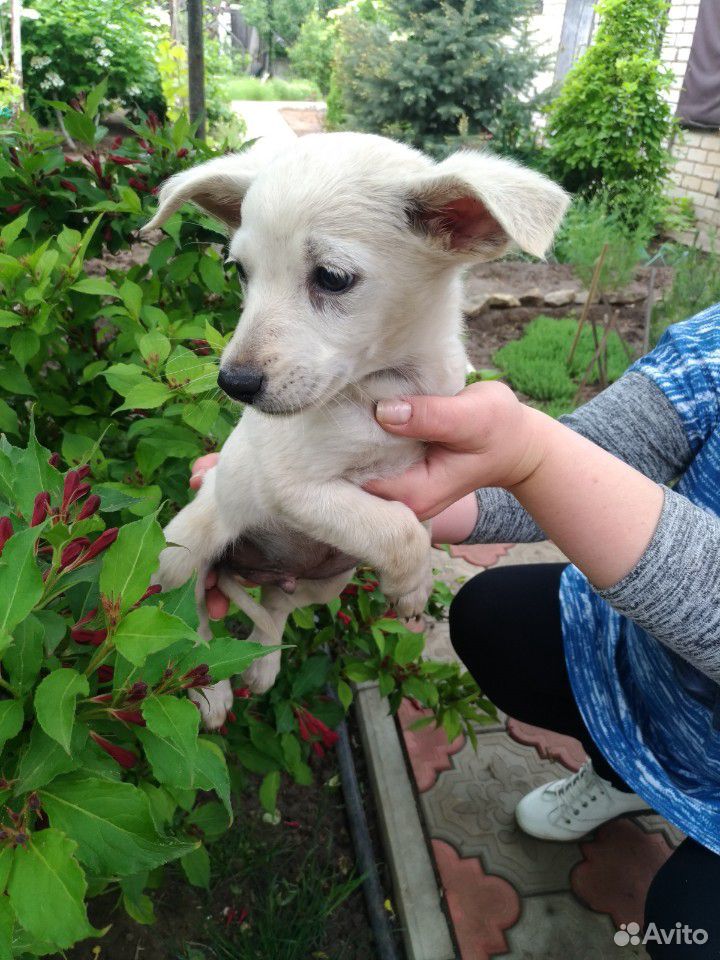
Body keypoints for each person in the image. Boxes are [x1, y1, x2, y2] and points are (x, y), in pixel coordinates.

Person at [191, 307, 720, 957]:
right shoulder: (714, 343)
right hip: (658, 658)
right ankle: (625, 768)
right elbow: (600, 454)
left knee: (682, 930)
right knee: (491, 617)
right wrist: (353, 505)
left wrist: (528, 453)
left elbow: (544, 464)